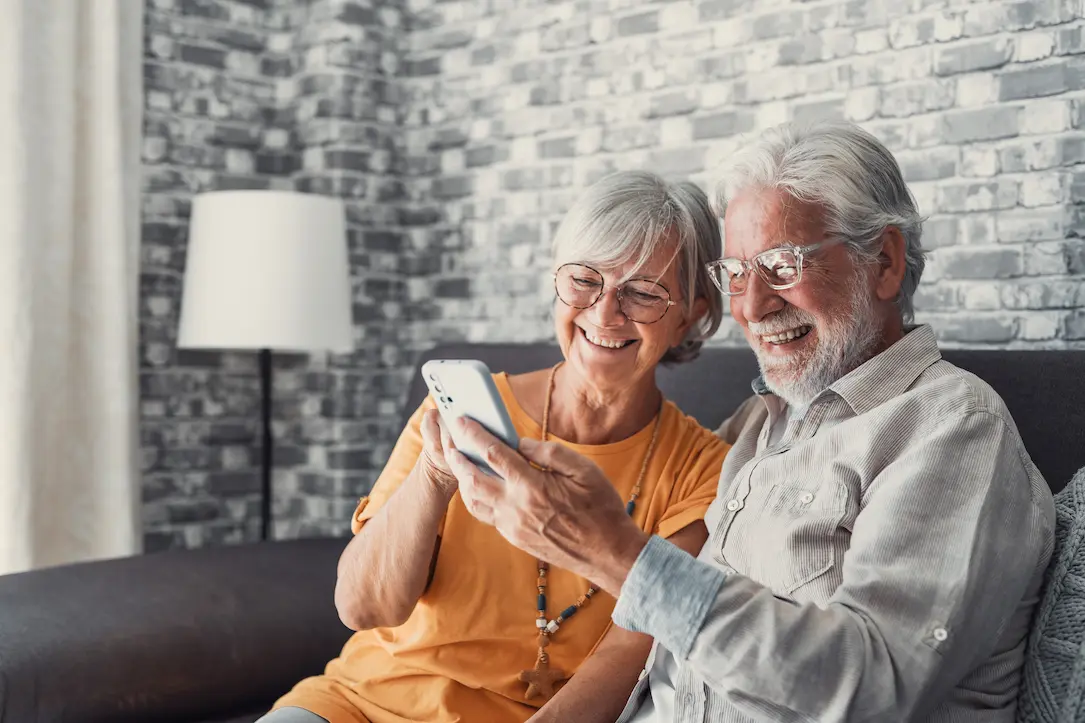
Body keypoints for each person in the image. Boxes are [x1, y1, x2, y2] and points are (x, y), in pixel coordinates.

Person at [445, 120, 1056, 722]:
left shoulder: (951, 427)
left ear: (885, 263)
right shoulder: (756, 426)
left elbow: (874, 686)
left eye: (782, 266)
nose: (753, 307)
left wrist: (616, 554)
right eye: (735, 274)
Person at [261, 170, 734, 723]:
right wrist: (436, 477)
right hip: (356, 705)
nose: (604, 314)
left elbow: (628, 656)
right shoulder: (458, 412)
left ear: (693, 316)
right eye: (584, 280)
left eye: (643, 293)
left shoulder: (704, 472)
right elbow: (362, 607)